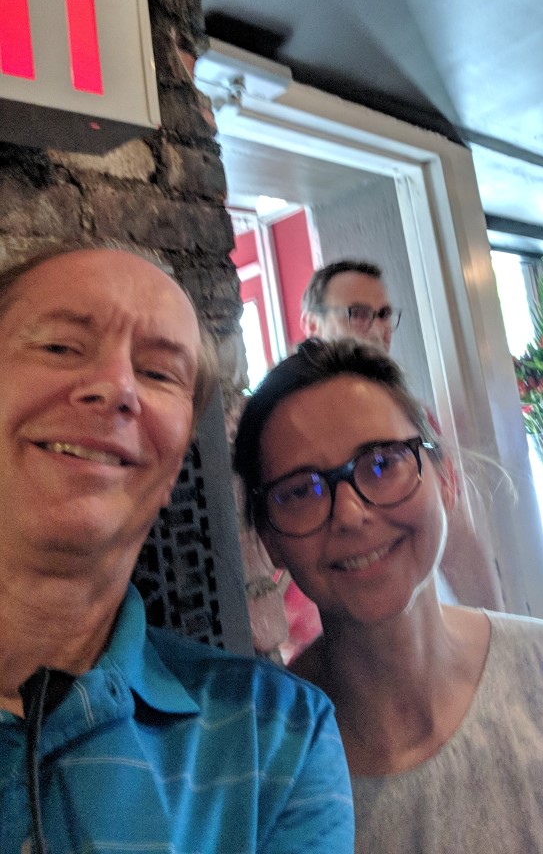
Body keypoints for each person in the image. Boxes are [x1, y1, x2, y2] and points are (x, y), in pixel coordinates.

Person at [234, 337, 543, 854]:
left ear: (445, 480)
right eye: (301, 491)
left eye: (381, 463)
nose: (350, 514)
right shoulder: (259, 769)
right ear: (269, 539)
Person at [0, 243, 353, 853]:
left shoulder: (274, 736)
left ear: (173, 470)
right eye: (59, 347)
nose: (117, 389)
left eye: (160, 373)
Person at [301, 258, 503, 613]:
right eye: (358, 314)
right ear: (312, 324)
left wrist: (498, 629)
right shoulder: (289, 427)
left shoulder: (414, 418)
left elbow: (457, 543)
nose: (377, 329)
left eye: (383, 315)